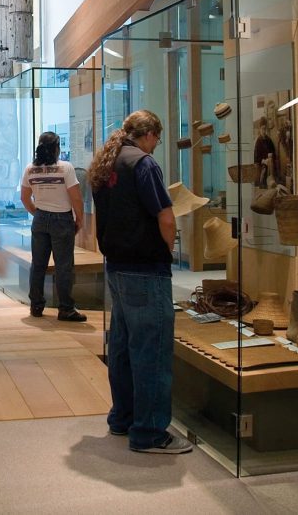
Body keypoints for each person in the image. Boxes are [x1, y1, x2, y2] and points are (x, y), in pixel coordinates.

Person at [89, 110, 193, 454]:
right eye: (157, 140)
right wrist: (167, 249)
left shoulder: (107, 162)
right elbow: (166, 218)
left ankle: (123, 417)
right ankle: (149, 432)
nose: (155, 146)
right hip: (145, 269)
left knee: (122, 347)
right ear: (149, 135)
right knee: (152, 350)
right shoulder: (143, 164)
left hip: (117, 267)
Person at [20, 131, 86, 322]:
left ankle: (36, 305)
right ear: (56, 148)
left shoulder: (30, 169)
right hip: (62, 220)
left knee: (38, 265)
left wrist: (37, 213)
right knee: (63, 266)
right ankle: (65, 308)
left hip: (40, 218)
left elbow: (24, 198)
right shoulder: (65, 168)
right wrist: (79, 219)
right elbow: (76, 197)